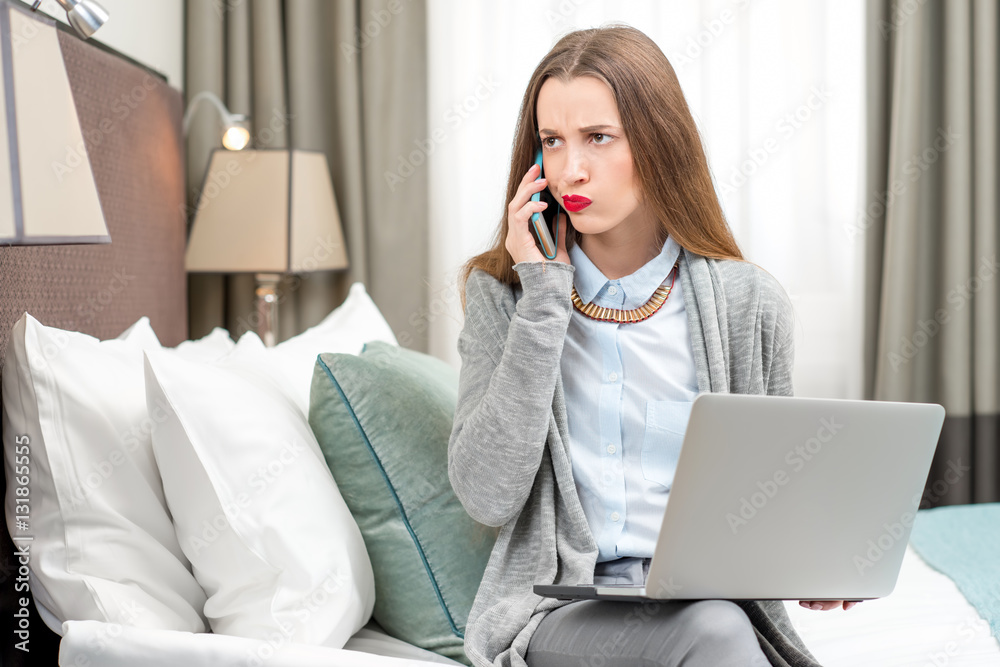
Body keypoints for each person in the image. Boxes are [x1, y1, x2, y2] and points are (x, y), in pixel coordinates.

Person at [448, 25, 853, 667]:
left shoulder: (749, 303)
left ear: (658, 143)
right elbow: (486, 494)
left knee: (717, 624)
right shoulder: (504, 296)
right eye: (552, 142)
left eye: (598, 138)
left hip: (705, 604)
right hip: (559, 613)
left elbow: (770, 493)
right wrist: (545, 299)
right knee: (717, 634)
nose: (569, 170)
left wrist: (812, 560)